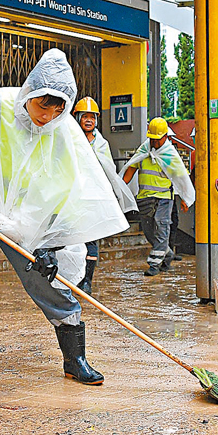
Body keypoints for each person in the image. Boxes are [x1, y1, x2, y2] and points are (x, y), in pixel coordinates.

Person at [0, 49, 129, 396]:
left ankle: (74, 359)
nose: (47, 117)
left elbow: (67, 191)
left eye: (57, 109)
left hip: (26, 221)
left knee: (47, 280)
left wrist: (51, 242)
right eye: (42, 107)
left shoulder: (63, 133)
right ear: (28, 95)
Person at [72, 96, 137, 294]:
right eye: (85, 117)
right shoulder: (71, 139)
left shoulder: (102, 144)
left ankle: (87, 282)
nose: (89, 120)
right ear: (78, 118)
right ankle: (73, 278)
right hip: (74, 197)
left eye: (92, 117)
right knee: (73, 239)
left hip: (93, 198)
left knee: (91, 239)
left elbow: (107, 169)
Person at [120, 117, 196, 277]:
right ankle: (166, 253)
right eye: (152, 139)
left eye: (157, 139)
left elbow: (180, 176)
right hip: (144, 198)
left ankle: (154, 264)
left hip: (163, 198)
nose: (154, 142)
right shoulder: (143, 150)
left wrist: (185, 197)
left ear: (165, 137)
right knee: (149, 231)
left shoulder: (169, 154)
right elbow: (131, 169)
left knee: (162, 227)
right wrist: (119, 188)